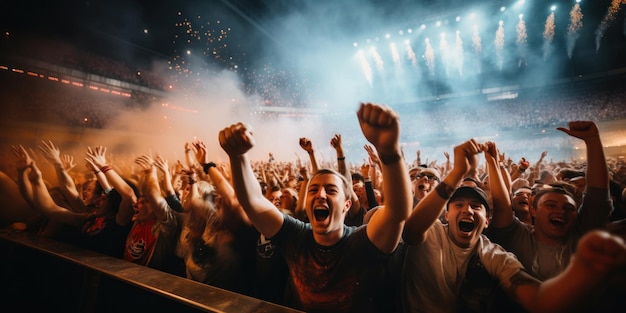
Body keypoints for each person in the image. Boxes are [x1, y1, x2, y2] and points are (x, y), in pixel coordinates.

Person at [218, 102, 412, 312]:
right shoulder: (296, 237)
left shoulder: (362, 242)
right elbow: (253, 201)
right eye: (313, 190)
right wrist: (237, 157)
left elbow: (396, 212)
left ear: (347, 205)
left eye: (330, 190)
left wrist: (389, 150)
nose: (320, 195)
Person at [400, 139, 626, 313]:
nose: (468, 210)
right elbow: (410, 232)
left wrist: (584, 268)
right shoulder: (432, 232)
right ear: (445, 215)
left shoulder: (493, 253)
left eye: (477, 206)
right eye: (458, 204)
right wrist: (457, 171)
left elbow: (538, 299)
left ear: (488, 220)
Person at [487, 121, 613, 280]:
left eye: (569, 208)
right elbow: (502, 206)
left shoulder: (581, 235)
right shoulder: (518, 236)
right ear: (533, 209)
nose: (560, 211)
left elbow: (598, 196)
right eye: (550, 205)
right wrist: (493, 164)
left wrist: (593, 141)